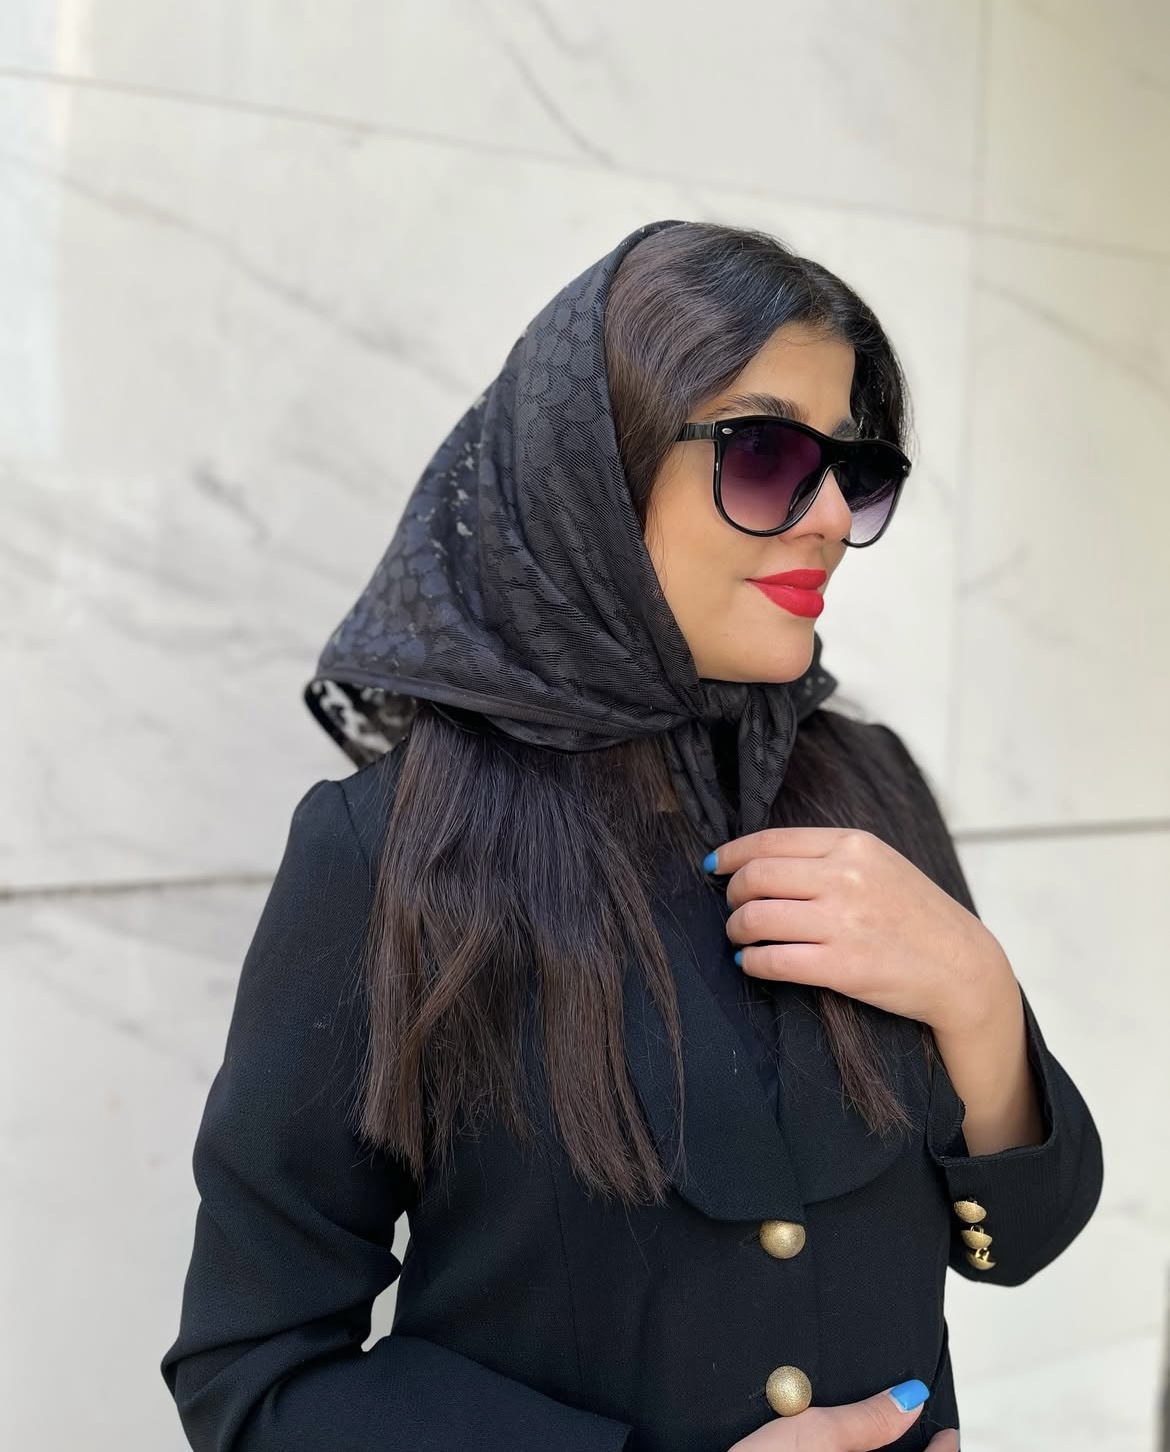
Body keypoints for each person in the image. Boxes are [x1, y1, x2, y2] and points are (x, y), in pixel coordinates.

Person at [160, 220, 1103, 1452]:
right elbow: (254, 1374)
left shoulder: (870, 786)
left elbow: (1020, 1243)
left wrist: (980, 997)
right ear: (596, 472)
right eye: (768, 454)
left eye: (854, 468)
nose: (829, 514)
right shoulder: (393, 849)